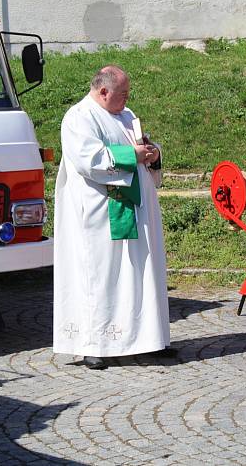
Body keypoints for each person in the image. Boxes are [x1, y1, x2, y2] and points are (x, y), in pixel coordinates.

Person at [53, 65, 172, 370]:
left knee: (142, 273)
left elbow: (144, 146)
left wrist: (153, 153)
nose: (126, 99)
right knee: (102, 276)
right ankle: (95, 344)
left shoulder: (127, 115)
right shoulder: (79, 117)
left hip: (137, 209)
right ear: (103, 91)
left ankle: (149, 339)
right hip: (100, 213)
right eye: (122, 94)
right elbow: (89, 160)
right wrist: (134, 155)